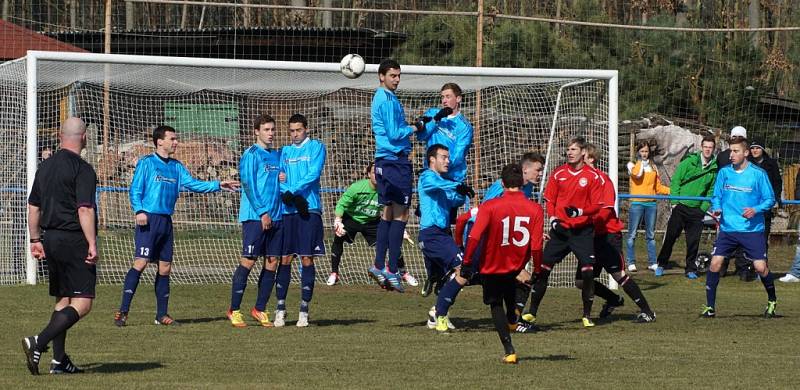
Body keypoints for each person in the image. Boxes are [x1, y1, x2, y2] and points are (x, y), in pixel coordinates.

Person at [114, 125, 239, 327]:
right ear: (159, 141)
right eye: (172, 138)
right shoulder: (147, 163)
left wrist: (218, 185)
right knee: (141, 262)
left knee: (165, 268)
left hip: (165, 221)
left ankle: (161, 315)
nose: (176, 142)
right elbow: (135, 189)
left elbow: (193, 184)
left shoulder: (176, 166)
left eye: (176, 138)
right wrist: (139, 210)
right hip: (149, 219)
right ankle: (123, 311)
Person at [22, 117, 97, 375]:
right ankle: (38, 341)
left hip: (50, 239)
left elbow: (33, 207)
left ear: (59, 135)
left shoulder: (44, 167)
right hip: (73, 239)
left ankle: (59, 361)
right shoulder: (83, 169)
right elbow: (84, 209)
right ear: (84, 137)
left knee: (63, 299)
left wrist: (35, 240)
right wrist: (92, 243)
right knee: (83, 302)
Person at [461, 163, 544, 364]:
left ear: (503, 183)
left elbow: (474, 237)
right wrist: (537, 268)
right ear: (520, 182)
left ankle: (509, 350)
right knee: (510, 289)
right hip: (516, 264)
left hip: (492, 264)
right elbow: (536, 246)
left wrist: (467, 261)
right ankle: (513, 315)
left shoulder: (490, 206)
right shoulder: (535, 209)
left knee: (495, 304)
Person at [528, 137, 603, 328]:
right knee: (543, 270)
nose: (569, 152)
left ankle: (587, 315)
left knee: (587, 273)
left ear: (583, 153)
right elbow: (550, 200)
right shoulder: (557, 173)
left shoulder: (592, 176)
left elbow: (596, 206)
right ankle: (532, 312)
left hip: (583, 232)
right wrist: (553, 220)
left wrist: (579, 212)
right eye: (568, 149)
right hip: (560, 232)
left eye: (574, 149)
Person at [581, 144, 656, 323]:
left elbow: (605, 210)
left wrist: (584, 218)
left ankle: (648, 312)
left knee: (619, 275)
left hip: (608, 235)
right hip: (590, 236)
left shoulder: (602, 180)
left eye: (581, 155)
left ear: (591, 158)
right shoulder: (580, 180)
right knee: (581, 281)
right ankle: (613, 299)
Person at [702, 137, 777, 318]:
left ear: (746, 153)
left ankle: (772, 300)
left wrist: (756, 209)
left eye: (736, 151)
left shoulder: (758, 174)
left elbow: (770, 199)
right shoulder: (724, 173)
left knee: (760, 267)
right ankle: (710, 307)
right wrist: (717, 206)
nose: (731, 155)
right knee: (715, 263)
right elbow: (716, 195)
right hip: (728, 229)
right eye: (730, 151)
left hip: (752, 230)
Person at [226, 114, 283, 328]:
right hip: (255, 216)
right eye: (266, 129)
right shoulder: (251, 154)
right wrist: (262, 213)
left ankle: (259, 309)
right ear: (256, 132)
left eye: (272, 129)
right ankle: (234, 310)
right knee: (249, 261)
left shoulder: (276, 156)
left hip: (276, 216)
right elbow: (248, 184)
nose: (270, 133)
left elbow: (275, 182)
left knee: (272, 262)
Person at [369, 59, 419, 291]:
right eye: (392, 75)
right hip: (394, 161)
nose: (396, 79)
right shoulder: (386, 98)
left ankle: (379, 265)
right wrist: (415, 127)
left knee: (388, 213)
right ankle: (392, 268)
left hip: (384, 161)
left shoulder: (385, 97)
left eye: (398, 75)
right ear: (381, 76)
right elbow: (395, 132)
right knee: (402, 215)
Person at [274, 113, 327, 327]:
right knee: (285, 259)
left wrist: (294, 191)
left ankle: (304, 310)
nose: (295, 134)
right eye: (292, 130)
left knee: (307, 258)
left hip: (309, 208)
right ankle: (280, 308)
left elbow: (313, 174)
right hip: (288, 211)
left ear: (306, 129)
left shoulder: (316, 147)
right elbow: (278, 175)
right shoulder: (284, 151)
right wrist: (287, 193)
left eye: (299, 130)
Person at [327, 162, 416, 286]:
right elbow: (342, 204)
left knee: (392, 241)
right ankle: (334, 273)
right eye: (374, 172)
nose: (377, 175)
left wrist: (400, 229)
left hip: (372, 221)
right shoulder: (357, 188)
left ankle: (403, 272)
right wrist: (338, 220)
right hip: (352, 218)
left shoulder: (386, 190)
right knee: (338, 238)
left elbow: (393, 210)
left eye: (379, 172)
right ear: (369, 174)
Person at [418, 144, 474, 330]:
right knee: (463, 270)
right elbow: (436, 184)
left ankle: (438, 313)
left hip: (442, 234)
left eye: (448, 157)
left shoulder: (442, 181)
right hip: (432, 235)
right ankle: (438, 312)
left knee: (450, 278)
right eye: (444, 157)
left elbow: (452, 200)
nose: (448, 161)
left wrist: (461, 193)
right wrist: (457, 185)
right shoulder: (427, 176)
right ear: (432, 160)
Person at [655, 135, 717, 279]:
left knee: (693, 241)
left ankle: (690, 269)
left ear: (713, 149)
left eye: (710, 147)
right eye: (706, 147)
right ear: (701, 147)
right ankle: (661, 264)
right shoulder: (689, 162)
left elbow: (711, 190)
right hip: (681, 206)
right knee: (670, 237)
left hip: (697, 210)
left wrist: (703, 208)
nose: (708, 150)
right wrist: (675, 202)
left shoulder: (714, 169)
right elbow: (676, 181)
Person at [730, 137, 782, 281]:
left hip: (763, 208)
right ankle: (744, 268)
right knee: (743, 238)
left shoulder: (771, 164)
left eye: (758, 148)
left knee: (761, 239)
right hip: (748, 207)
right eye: (752, 148)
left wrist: (775, 199)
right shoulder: (747, 164)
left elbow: (777, 183)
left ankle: (761, 269)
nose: (755, 150)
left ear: (763, 149)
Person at [625, 140, 670, 272]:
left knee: (650, 235)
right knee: (632, 234)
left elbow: (658, 187)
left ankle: (652, 262)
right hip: (637, 203)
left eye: (646, 151)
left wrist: (672, 191)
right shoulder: (632, 165)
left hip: (651, 204)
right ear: (638, 152)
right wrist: (640, 162)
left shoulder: (653, 167)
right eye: (642, 151)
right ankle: (631, 262)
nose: (644, 154)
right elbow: (637, 175)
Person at [415, 82, 473, 183]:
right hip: (431, 176)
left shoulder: (465, 127)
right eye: (442, 97)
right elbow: (420, 136)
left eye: (448, 97)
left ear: (458, 99)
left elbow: (457, 156)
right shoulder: (433, 113)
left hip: (451, 178)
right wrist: (436, 119)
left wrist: (439, 167)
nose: (444, 101)